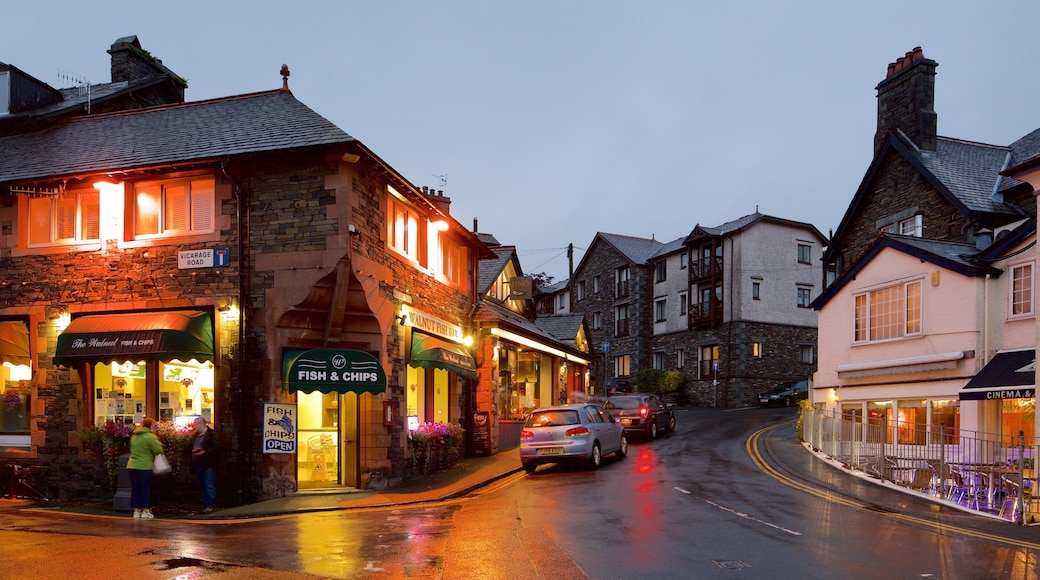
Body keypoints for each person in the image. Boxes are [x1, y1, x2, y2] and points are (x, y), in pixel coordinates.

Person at [126, 417, 163, 519]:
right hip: (145, 466)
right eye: (154, 425)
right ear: (150, 426)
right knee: (145, 489)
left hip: (132, 465)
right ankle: (145, 511)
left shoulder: (134, 436)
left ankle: (136, 511)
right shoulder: (150, 436)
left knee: (136, 489)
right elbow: (158, 450)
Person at [191, 416, 219, 513]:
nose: (196, 426)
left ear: (203, 424)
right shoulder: (196, 436)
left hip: (209, 464)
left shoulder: (211, 435)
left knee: (209, 484)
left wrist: (204, 452)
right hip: (198, 464)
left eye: (197, 424)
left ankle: (210, 505)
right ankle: (206, 504)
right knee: (201, 485)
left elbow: (216, 448)